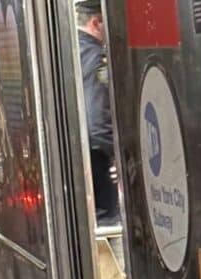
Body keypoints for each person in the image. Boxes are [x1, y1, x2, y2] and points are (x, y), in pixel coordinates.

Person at [77, 0, 118, 225]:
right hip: (98, 161)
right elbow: (97, 121)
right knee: (108, 223)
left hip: (80, 159)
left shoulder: (72, 52)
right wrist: (121, 155)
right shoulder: (96, 57)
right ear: (96, 22)